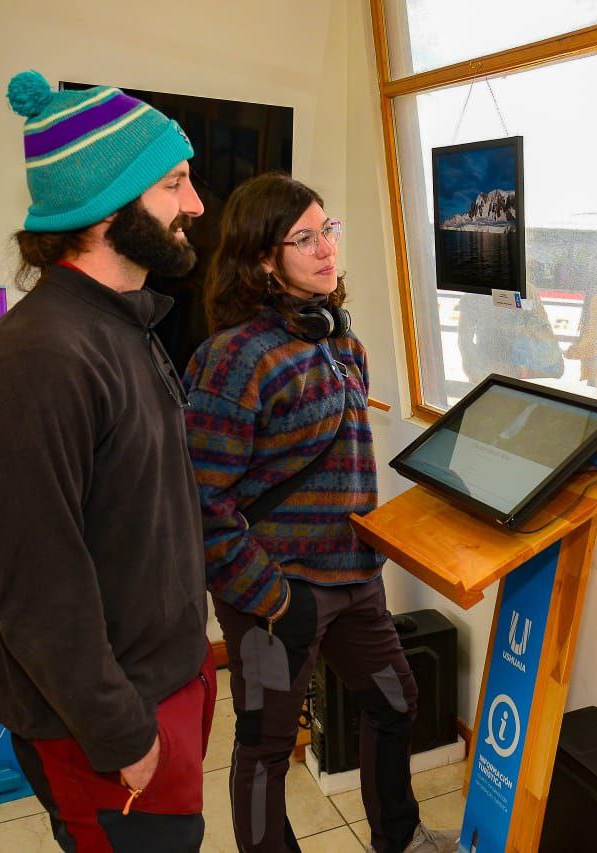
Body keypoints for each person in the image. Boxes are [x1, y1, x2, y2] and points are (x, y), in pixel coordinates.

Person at [0, 71, 215, 850]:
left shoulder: (122, 326)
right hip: (107, 721)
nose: (194, 205)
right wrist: (121, 732)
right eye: (173, 184)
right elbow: (33, 586)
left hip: (160, 685)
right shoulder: (37, 362)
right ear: (107, 205)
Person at [184, 173, 456, 853]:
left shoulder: (342, 343)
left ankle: (399, 837)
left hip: (354, 579)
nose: (324, 249)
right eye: (302, 238)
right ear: (261, 258)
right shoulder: (232, 358)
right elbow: (201, 503)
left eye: (327, 230)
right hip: (274, 599)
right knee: (265, 747)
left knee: (397, 702)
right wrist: (275, 598)